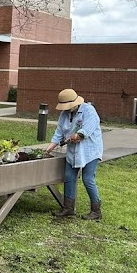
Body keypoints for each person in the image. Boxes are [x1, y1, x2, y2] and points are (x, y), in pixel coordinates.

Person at [44, 88, 103, 220]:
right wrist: (49, 148)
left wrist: (78, 135)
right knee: (69, 177)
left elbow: (86, 130)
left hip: (90, 151)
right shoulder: (64, 114)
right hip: (73, 152)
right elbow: (59, 132)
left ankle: (96, 211)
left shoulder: (89, 111)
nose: (66, 109)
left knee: (88, 179)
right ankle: (68, 208)